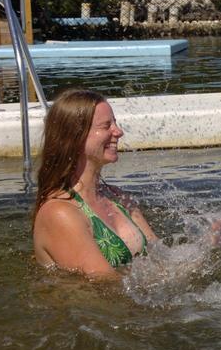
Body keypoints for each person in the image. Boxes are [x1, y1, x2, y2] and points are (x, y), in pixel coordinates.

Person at [32, 89, 158, 279]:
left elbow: (161, 260)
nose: (118, 131)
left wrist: (205, 250)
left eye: (115, 123)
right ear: (75, 137)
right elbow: (104, 284)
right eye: (106, 125)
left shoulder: (118, 198)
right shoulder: (59, 213)